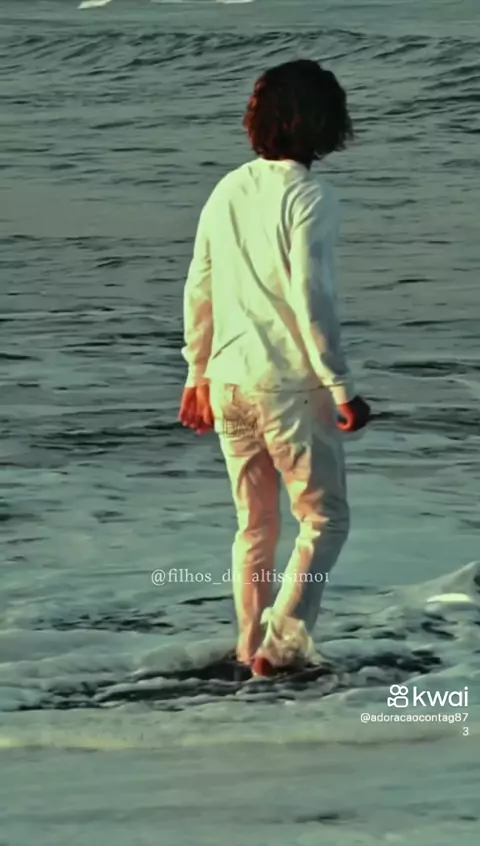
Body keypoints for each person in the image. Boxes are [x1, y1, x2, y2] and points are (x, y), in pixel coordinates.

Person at [178, 59, 371, 678]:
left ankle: (247, 645)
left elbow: (200, 286)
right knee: (324, 519)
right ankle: (281, 648)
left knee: (254, 525)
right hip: (288, 384)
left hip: (230, 381)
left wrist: (197, 374)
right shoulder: (310, 196)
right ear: (323, 123)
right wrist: (342, 386)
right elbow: (312, 297)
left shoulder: (228, 189)